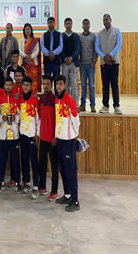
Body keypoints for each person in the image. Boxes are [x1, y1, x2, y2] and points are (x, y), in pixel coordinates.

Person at [54, 74, 80, 212]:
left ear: (65, 85)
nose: (58, 86)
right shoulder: (56, 100)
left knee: (71, 171)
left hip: (69, 140)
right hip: (60, 139)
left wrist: (75, 135)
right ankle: (67, 194)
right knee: (63, 169)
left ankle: (75, 201)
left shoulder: (69, 100)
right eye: (57, 84)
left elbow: (75, 119)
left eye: (61, 84)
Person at [0, 77, 21, 192]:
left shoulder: (16, 98)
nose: (8, 87)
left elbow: (20, 114)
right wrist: (2, 118)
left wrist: (16, 118)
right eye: (6, 85)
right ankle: (1, 181)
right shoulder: (0, 98)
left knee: (15, 159)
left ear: (12, 86)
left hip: (14, 134)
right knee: (2, 159)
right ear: (4, 86)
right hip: (3, 134)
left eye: (10, 85)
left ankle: (17, 181)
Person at [95, 14, 123, 114]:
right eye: (104, 20)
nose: (105, 21)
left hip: (114, 62)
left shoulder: (117, 31)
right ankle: (105, 106)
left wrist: (110, 55)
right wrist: (104, 56)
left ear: (110, 20)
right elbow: (97, 47)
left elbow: (119, 45)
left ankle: (116, 106)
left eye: (107, 19)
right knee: (105, 85)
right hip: (104, 63)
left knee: (114, 85)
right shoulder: (100, 33)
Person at [38, 74, 58, 201]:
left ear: (51, 85)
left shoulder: (55, 99)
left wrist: (55, 136)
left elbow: (57, 120)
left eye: (48, 84)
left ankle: (54, 191)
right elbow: (39, 117)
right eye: (44, 84)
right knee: (42, 163)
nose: (45, 86)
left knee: (54, 165)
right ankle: (42, 186)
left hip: (52, 138)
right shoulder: (41, 99)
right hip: (43, 137)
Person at [18, 76, 40, 196]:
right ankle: (26, 182)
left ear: (31, 87)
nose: (26, 87)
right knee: (24, 160)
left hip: (32, 135)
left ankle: (36, 186)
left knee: (34, 161)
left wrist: (37, 133)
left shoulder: (35, 100)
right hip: (22, 135)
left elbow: (38, 118)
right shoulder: (21, 100)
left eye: (28, 85)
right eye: (24, 85)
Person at [61, 18, 80, 107]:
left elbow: (78, 49)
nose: (68, 25)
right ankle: (66, 104)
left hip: (73, 63)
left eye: (70, 23)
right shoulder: (62, 36)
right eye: (67, 23)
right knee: (66, 84)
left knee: (74, 84)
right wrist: (65, 58)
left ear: (72, 24)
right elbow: (60, 49)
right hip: (64, 63)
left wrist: (71, 58)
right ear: (64, 25)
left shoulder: (76, 36)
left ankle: (76, 105)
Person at [79, 19, 98, 113]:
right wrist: (79, 61)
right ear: (82, 26)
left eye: (87, 24)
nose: (86, 25)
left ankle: (92, 105)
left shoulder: (93, 36)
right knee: (83, 86)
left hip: (91, 65)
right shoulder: (79, 37)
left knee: (91, 86)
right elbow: (78, 50)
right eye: (84, 24)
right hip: (82, 65)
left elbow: (96, 49)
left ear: (89, 25)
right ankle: (82, 105)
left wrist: (94, 60)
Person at [19, 23, 41, 95]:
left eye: (29, 29)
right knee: (26, 81)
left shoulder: (35, 40)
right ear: (24, 31)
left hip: (33, 64)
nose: (27, 30)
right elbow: (20, 51)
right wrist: (26, 56)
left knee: (33, 81)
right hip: (25, 64)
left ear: (31, 30)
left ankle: (33, 97)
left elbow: (37, 50)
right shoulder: (21, 40)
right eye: (26, 29)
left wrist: (30, 57)